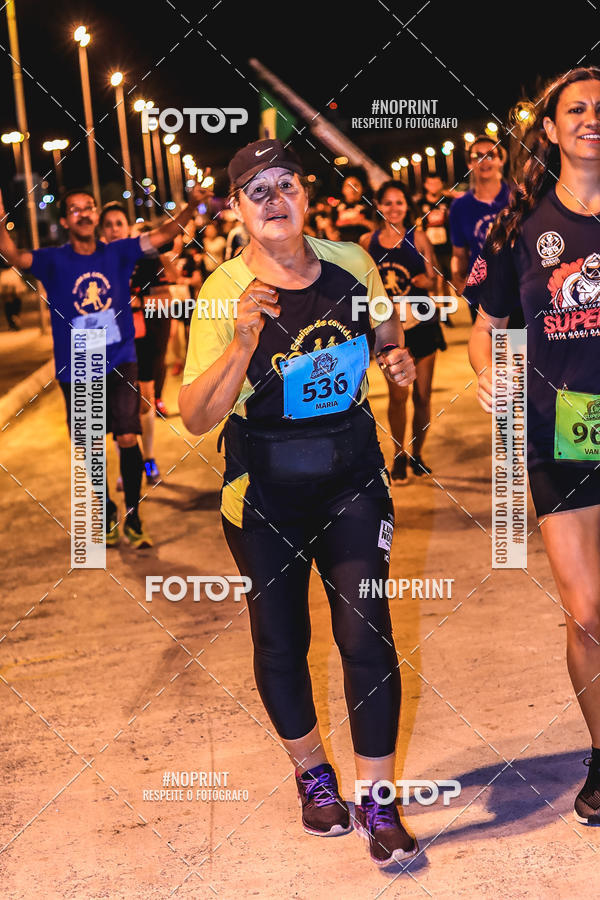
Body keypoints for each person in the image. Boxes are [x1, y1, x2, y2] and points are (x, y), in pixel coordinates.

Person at [179, 139, 419, 866]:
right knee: (281, 642)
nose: (275, 199)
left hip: (352, 479)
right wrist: (241, 343)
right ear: (236, 209)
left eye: (286, 183)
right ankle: (314, 776)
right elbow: (195, 417)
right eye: (258, 190)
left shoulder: (353, 263)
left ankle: (379, 800)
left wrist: (394, 358)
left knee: (365, 634)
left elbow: (385, 331)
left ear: (306, 195)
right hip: (265, 493)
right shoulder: (221, 291)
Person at [469, 67, 600, 826]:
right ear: (549, 129)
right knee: (587, 612)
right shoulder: (516, 228)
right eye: (575, 108)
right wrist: (490, 373)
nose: (591, 117)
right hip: (564, 431)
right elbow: (487, 329)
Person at [0, 181, 208, 548]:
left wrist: (191, 207)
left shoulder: (118, 252)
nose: (84, 214)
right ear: (65, 221)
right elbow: (14, 256)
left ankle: (134, 516)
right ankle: (107, 511)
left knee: (127, 436)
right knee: (93, 446)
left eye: (89, 207)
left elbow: (162, 234)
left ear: (95, 215)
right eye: (75, 209)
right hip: (79, 364)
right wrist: (2, 220)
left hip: (120, 358)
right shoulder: (53, 260)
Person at [361, 180, 446, 483]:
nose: (394, 208)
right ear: (378, 206)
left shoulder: (418, 237)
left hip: (422, 323)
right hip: (388, 329)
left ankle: (418, 455)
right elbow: (361, 283)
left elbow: (434, 278)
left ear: (407, 206)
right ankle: (398, 455)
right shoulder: (367, 242)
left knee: (422, 396)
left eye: (399, 202)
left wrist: (427, 281)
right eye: (388, 202)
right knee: (398, 396)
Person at [99, 202, 177, 487]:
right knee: (119, 405)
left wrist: (139, 304)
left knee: (144, 400)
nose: (114, 229)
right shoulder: (95, 261)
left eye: (119, 223)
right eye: (108, 225)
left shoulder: (144, 256)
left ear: (128, 227)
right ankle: (126, 466)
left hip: (144, 337)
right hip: (111, 340)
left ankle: (149, 459)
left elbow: (166, 296)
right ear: (102, 231)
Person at [450, 134, 510, 321]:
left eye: (490, 155)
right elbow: (459, 253)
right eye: (477, 156)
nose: (484, 161)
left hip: (514, 292)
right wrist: (458, 279)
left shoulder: (517, 198)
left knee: (515, 340)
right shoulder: (460, 207)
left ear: (501, 160)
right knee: (487, 340)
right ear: (470, 164)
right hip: (481, 293)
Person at [414, 172, 454, 316]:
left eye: (437, 183)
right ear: (425, 185)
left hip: (446, 247)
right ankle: (434, 309)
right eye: (430, 183)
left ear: (441, 184)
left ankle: (445, 312)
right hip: (428, 248)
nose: (434, 186)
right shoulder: (420, 204)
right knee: (433, 279)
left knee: (445, 280)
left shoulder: (448, 201)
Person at [334, 173, 374, 243]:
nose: (352, 189)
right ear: (343, 189)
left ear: (363, 188)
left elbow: (379, 230)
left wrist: (362, 221)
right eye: (348, 186)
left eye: (356, 185)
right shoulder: (336, 209)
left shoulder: (371, 207)